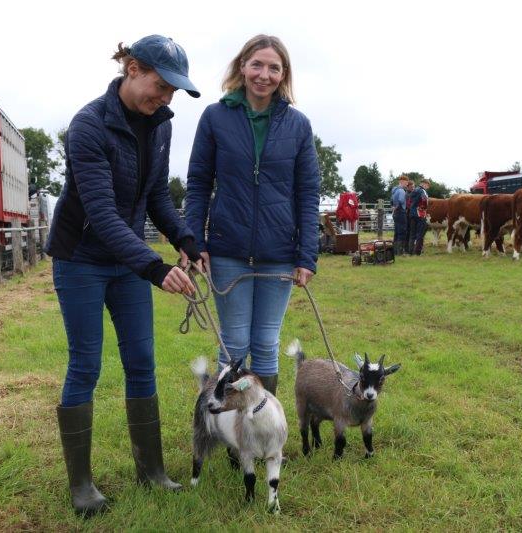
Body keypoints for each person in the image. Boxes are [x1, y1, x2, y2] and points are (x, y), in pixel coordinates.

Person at [45, 35, 202, 516]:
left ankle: (151, 471)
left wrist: (186, 239)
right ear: (132, 68)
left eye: (173, 91)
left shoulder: (160, 126)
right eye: (161, 85)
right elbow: (102, 213)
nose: (166, 98)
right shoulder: (88, 125)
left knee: (142, 361)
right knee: (85, 365)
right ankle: (82, 486)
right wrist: (154, 267)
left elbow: (156, 198)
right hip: (81, 258)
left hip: (127, 259)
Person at [185, 34, 320, 395]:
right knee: (233, 342)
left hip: (279, 254)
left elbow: (308, 193)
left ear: (283, 74)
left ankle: (261, 418)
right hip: (228, 250)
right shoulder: (215, 117)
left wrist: (306, 255)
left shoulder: (298, 125)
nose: (264, 74)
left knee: (266, 342)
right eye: (256, 65)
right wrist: (194, 242)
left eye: (274, 68)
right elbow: (198, 184)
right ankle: (228, 421)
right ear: (242, 67)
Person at [409, 179, 431, 255]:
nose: (428, 187)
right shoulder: (422, 191)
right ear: (424, 184)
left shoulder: (414, 190)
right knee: (420, 234)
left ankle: (411, 251)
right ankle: (417, 252)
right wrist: (424, 208)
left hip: (412, 214)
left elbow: (409, 201)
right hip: (420, 214)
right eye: (428, 185)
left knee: (412, 234)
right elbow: (424, 200)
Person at [391, 175, 409, 254]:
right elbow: (401, 201)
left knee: (397, 232)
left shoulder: (394, 190)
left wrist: (393, 207)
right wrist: (397, 207)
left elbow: (391, 200)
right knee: (402, 231)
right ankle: (400, 251)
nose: (407, 184)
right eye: (406, 182)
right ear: (402, 181)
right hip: (401, 211)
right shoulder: (401, 191)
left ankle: (395, 251)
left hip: (395, 213)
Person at [405, 179, 416, 254]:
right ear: (408, 187)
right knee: (409, 232)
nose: (413, 188)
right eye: (411, 187)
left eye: (414, 187)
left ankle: (408, 248)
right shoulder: (408, 195)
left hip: (409, 214)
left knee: (409, 232)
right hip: (408, 214)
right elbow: (408, 205)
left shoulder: (409, 193)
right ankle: (408, 249)